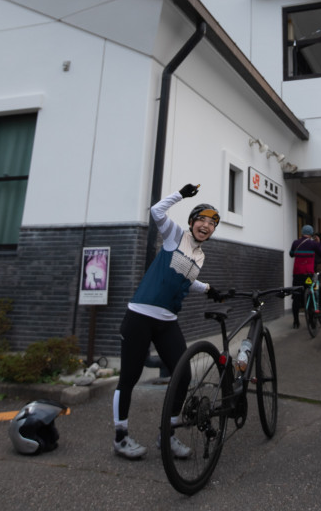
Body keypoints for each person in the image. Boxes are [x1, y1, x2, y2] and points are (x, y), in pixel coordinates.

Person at [112, 182, 223, 460]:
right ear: (192, 222)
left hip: (167, 321)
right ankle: (121, 437)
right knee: (129, 377)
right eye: (202, 219)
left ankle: (167, 434)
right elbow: (156, 212)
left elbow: (186, 276)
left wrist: (208, 288)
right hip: (140, 315)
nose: (206, 226)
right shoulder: (176, 236)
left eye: (212, 223)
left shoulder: (200, 254)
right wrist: (181, 195)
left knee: (183, 374)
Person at [289, 224, 321, 328]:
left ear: (302, 233)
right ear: (311, 234)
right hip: (308, 274)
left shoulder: (296, 243)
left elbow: (291, 254)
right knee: (310, 295)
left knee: (296, 298)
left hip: (297, 274)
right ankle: (312, 322)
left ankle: (296, 322)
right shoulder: (314, 244)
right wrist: (318, 243)